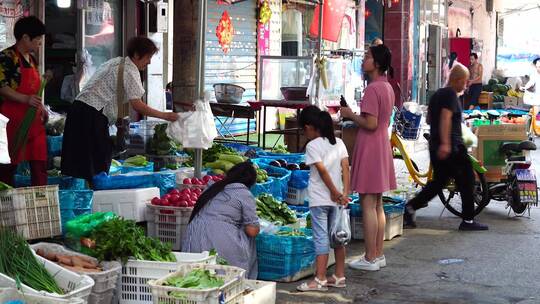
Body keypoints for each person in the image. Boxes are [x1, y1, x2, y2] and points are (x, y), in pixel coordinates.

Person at [61, 36, 178, 182]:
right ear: (136, 55)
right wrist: (165, 116)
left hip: (78, 110)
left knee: (81, 163)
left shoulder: (116, 62)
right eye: (148, 57)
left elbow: (116, 93)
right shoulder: (130, 69)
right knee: (97, 163)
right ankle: (96, 196)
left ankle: (87, 196)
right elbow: (137, 105)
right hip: (91, 114)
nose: (149, 62)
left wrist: (119, 118)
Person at [404, 63, 488, 231]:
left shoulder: (438, 94)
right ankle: (468, 220)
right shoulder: (450, 95)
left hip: (436, 144)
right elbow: (445, 118)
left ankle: (411, 207)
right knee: (467, 179)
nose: (466, 85)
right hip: (451, 146)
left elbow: (429, 120)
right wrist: (446, 143)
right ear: (456, 80)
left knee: (439, 182)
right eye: (464, 81)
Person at [340, 44, 396, 271]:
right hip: (381, 145)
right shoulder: (387, 87)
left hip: (371, 147)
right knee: (377, 203)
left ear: (378, 63)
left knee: (368, 203)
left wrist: (350, 114)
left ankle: (370, 257)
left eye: (368, 57)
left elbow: (370, 123)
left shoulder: (373, 89)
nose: (364, 60)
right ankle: (378, 254)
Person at [296, 106, 350, 292]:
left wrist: (334, 192)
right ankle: (339, 275)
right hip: (337, 201)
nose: (305, 133)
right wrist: (344, 194)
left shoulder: (313, 146)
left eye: (304, 130)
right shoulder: (339, 143)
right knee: (338, 237)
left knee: (321, 238)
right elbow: (345, 168)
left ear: (310, 127)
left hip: (320, 199)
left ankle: (319, 279)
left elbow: (322, 171)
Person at [182, 162, 260, 279]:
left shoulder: (212, 187)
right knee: (249, 237)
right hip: (218, 236)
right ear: (250, 182)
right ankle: (238, 277)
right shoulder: (243, 193)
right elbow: (252, 230)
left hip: (193, 238)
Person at [0, 16, 47, 186]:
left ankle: (40, 202)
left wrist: (40, 106)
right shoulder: (7, 57)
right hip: (12, 121)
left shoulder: (32, 60)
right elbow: (2, 87)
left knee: (39, 163)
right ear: (26, 37)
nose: (39, 44)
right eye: (38, 40)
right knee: (8, 165)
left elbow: (35, 90)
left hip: (33, 122)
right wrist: (25, 99)